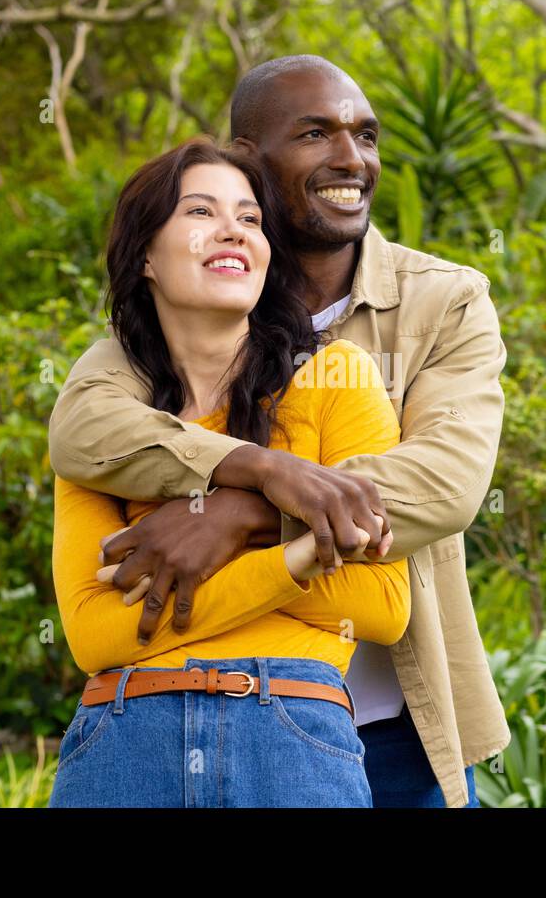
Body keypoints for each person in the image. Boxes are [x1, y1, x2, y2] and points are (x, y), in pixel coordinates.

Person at [49, 55, 509, 808]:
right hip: (174, 708)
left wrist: (240, 507)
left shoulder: (444, 301)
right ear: (249, 159)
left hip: (397, 721)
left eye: (366, 134)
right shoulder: (187, 318)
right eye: (316, 134)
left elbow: (448, 484)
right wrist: (258, 470)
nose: (350, 159)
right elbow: (83, 430)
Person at [48, 138, 408, 807]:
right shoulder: (111, 415)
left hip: (291, 732)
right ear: (146, 256)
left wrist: (235, 529)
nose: (232, 230)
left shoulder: (336, 379)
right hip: (126, 738)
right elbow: (95, 634)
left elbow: (380, 606)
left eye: (249, 217)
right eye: (200, 211)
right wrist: (300, 553)